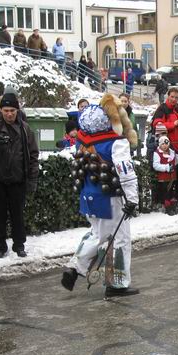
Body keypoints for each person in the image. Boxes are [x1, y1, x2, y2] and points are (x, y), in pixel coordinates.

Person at [60, 94, 140, 297]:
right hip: (110, 198)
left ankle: (77, 267)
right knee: (118, 239)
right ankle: (115, 283)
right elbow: (126, 172)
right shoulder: (116, 143)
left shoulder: (83, 141)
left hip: (89, 195)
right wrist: (132, 198)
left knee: (97, 234)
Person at [0, 93, 39, 258]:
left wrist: (32, 179)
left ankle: (19, 245)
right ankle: (0, 246)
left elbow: (33, 155)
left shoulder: (25, 128)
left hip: (18, 179)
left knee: (18, 215)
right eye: (6, 110)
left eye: (12, 110)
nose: (9, 114)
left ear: (17, 110)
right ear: (0, 110)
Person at [152, 87, 178, 152]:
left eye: (176, 97)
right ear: (168, 96)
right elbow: (157, 126)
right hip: (166, 145)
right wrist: (173, 124)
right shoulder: (162, 108)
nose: (174, 99)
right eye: (172, 97)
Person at [152, 135, 178, 214]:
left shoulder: (172, 152)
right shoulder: (157, 153)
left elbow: (176, 162)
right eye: (163, 144)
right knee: (165, 192)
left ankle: (173, 207)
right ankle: (168, 208)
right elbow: (156, 165)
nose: (165, 146)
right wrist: (167, 167)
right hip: (164, 177)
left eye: (166, 144)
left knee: (171, 192)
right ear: (160, 144)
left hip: (172, 176)